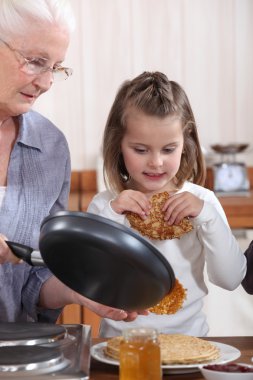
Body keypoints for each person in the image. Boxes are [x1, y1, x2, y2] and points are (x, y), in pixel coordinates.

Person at [0, 0, 143, 324]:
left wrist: (80, 290)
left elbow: (36, 278)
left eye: (56, 67)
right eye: (36, 62)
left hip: (18, 362)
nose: (47, 83)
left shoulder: (50, 147)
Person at [87, 71, 247, 337]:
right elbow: (92, 280)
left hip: (190, 343)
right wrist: (113, 215)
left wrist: (206, 217)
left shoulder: (203, 202)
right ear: (118, 145)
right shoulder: (104, 205)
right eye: (140, 150)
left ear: (186, 144)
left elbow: (230, 279)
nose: (156, 162)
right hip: (120, 349)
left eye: (168, 149)